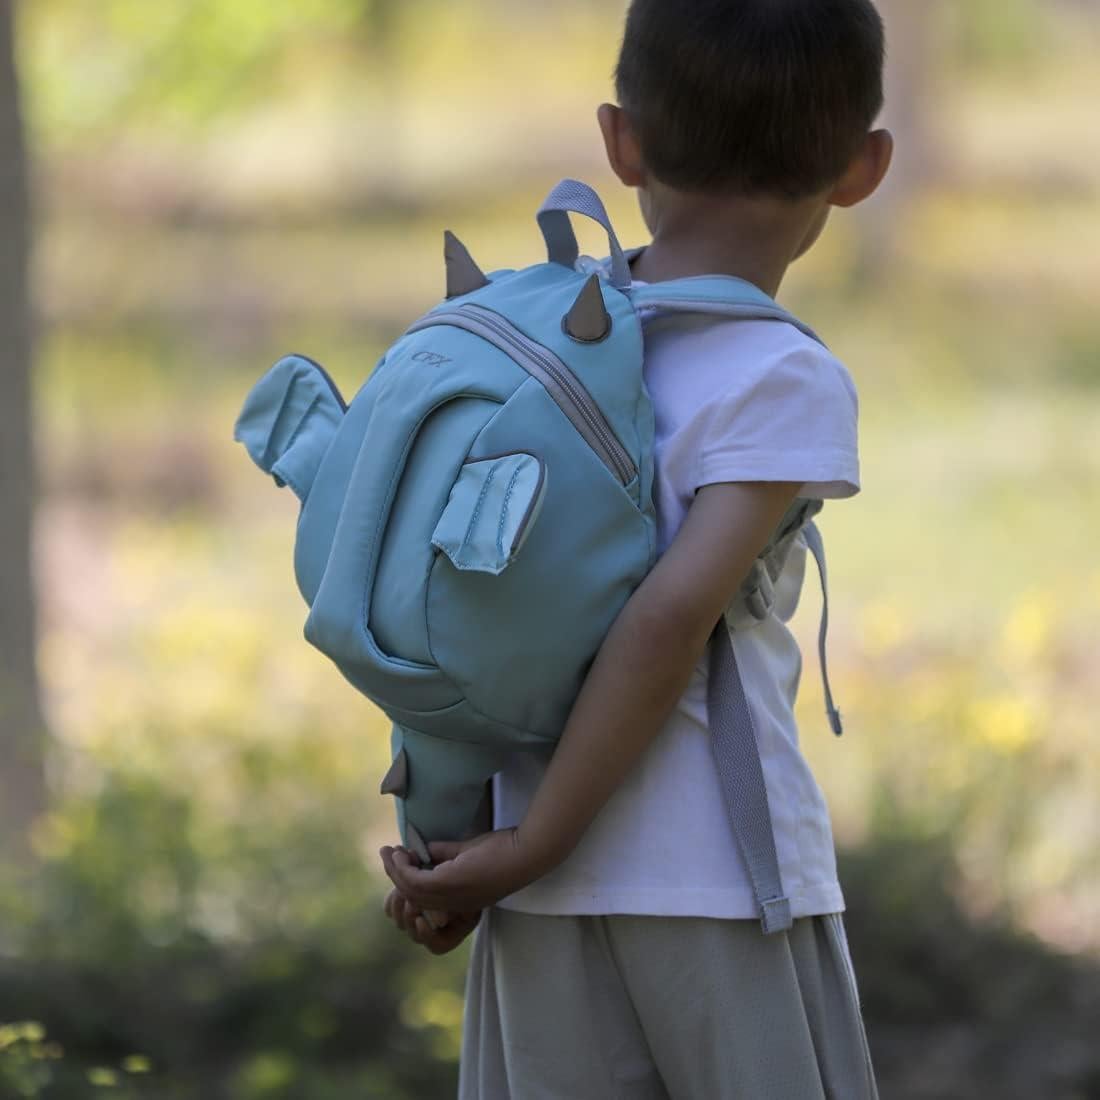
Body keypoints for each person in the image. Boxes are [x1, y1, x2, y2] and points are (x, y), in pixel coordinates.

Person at [381, 0, 894, 1095]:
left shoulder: (533, 342)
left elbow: (457, 597)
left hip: (532, 877)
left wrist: (464, 838)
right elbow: (667, 619)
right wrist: (533, 846)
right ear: (861, 167)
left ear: (621, 143)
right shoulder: (778, 373)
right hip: (714, 879)